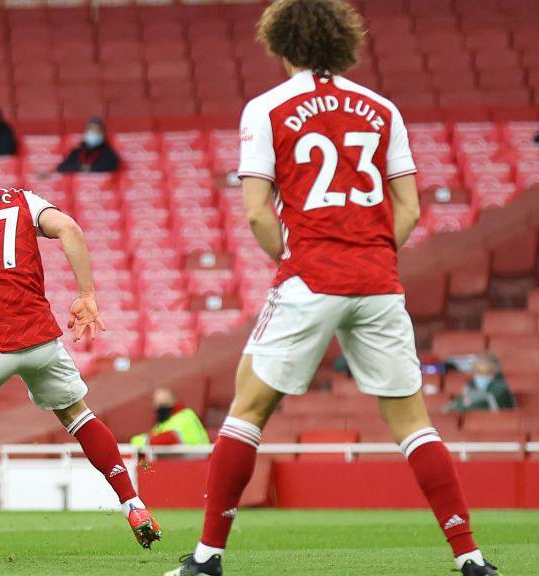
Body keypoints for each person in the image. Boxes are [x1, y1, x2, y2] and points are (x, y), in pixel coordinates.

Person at [165, 2, 499, 576]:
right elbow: (411, 206)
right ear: (342, 42)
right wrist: (370, 255)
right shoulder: (382, 108)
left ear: (281, 41)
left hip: (310, 274)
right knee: (414, 422)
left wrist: (297, 258)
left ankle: (206, 558)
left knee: (248, 409)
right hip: (377, 279)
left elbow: (257, 214)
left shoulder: (267, 108)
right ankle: (470, 558)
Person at [0, 137, 161, 560]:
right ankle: (134, 506)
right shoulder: (21, 198)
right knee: (79, 416)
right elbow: (70, 229)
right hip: (41, 338)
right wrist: (87, 295)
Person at [130, 388, 209, 450]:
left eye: (164, 403)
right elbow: (153, 436)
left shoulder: (185, 415)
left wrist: (140, 441)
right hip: (182, 462)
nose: (161, 407)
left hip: (199, 460)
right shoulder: (164, 422)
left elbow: (169, 438)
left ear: (173, 401)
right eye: (158, 403)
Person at [444, 354, 516, 412]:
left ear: (496, 373)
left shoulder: (501, 388)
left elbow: (483, 402)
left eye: (488, 372)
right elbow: (458, 404)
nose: (482, 375)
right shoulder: (470, 386)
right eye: (479, 372)